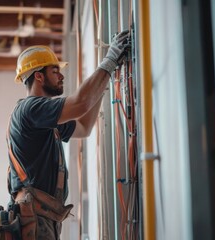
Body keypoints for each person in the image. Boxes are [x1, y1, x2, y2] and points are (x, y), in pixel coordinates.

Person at [7, 30, 130, 239]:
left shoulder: (44, 119)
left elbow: (84, 126)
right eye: (55, 71)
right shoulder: (31, 109)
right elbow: (80, 103)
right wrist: (109, 62)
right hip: (33, 217)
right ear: (38, 75)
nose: (61, 75)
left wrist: (102, 82)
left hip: (43, 217)